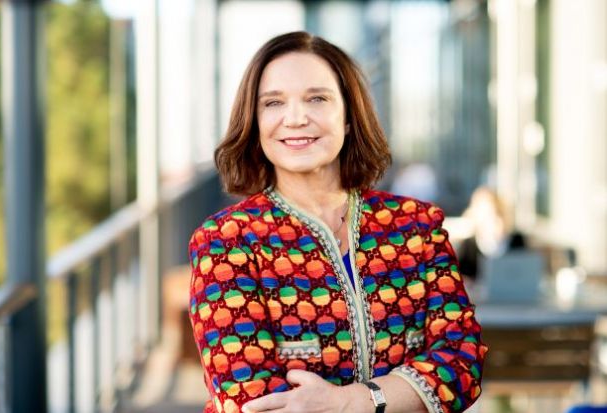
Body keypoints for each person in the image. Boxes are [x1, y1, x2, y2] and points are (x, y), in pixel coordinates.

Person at [188, 31, 487, 413]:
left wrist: (351, 401)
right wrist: (402, 392)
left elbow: (461, 361)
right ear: (255, 121)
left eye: (317, 98)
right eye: (273, 102)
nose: (296, 118)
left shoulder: (416, 228)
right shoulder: (227, 242)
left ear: (348, 117)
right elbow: (248, 400)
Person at [457, 186, 526, 282]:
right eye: (487, 216)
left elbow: (525, 273)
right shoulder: (468, 246)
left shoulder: (517, 241)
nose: (493, 220)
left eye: (497, 214)